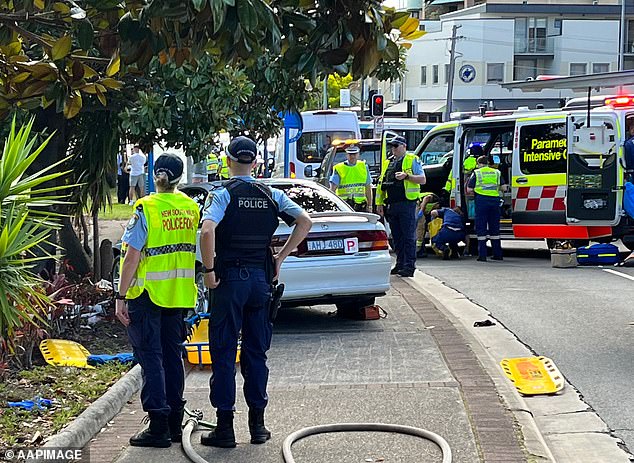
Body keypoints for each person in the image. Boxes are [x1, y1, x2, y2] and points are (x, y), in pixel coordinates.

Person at [199, 136, 312, 448]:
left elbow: (208, 230)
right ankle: (258, 427)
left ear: (227, 160)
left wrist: (208, 272)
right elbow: (305, 221)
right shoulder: (272, 193)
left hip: (229, 282)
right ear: (256, 163)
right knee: (256, 353)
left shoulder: (223, 193)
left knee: (223, 353)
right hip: (261, 282)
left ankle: (225, 429)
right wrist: (280, 258)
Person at [115, 153, 200, 448]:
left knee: (150, 357)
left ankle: (158, 425)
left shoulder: (145, 207)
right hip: (178, 294)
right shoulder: (191, 207)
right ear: (179, 177)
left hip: (147, 294)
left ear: (155, 175)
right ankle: (175, 422)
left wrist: (120, 295)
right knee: (173, 356)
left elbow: (131, 257)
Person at [376, 135, 426, 277]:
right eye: (392, 146)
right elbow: (381, 184)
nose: (393, 149)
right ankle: (400, 263)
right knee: (396, 237)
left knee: (408, 236)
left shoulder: (412, 160)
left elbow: (422, 179)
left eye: (396, 146)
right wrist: (379, 203)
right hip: (392, 204)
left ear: (404, 146)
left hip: (407, 203)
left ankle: (409, 266)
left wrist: (407, 176)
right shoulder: (388, 162)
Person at [466, 155, 507, 262]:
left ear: (479, 164)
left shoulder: (477, 173)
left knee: (481, 228)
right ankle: (498, 254)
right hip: (494, 202)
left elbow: (469, 189)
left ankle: (482, 255)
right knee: (494, 228)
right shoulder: (497, 172)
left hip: (482, 201)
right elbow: (504, 188)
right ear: (488, 163)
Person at [329, 144, 372, 212]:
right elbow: (332, 189)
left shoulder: (363, 167)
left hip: (361, 206)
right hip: (344, 206)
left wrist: (369, 205)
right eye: (350, 154)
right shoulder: (339, 168)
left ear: (358, 154)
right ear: (346, 155)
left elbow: (368, 187)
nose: (352, 156)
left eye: (354, 154)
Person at [415, 192, 440, 258]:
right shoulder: (434, 198)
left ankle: (420, 249)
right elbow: (427, 198)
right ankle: (417, 250)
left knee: (421, 229)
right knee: (420, 228)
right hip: (417, 205)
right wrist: (421, 210)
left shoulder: (432, 206)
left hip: (418, 206)